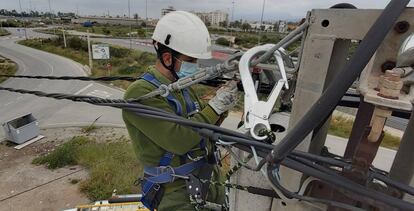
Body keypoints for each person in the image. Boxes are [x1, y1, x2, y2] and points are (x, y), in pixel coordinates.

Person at [122, 11, 239, 211]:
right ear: (168, 58)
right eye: (191, 60)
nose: (195, 66)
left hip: (207, 181)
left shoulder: (181, 87)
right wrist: (215, 107)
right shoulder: (141, 94)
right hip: (177, 194)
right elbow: (179, 140)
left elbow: (205, 121)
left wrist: (222, 107)